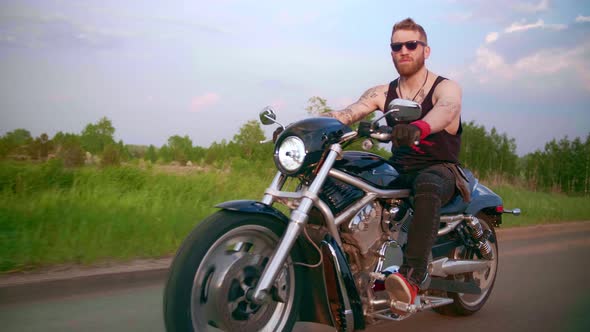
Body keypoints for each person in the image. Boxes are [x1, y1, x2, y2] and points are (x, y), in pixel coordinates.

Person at [324, 18, 463, 309]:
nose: (404, 50)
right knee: (347, 173)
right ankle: (353, 261)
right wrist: (307, 129)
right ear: (391, 52)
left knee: (428, 183)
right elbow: (347, 113)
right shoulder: (381, 93)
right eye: (397, 46)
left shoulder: (445, 87)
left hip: (440, 169)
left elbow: (447, 111)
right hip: (399, 169)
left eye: (411, 44)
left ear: (425, 50)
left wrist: (421, 128)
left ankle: (412, 278)